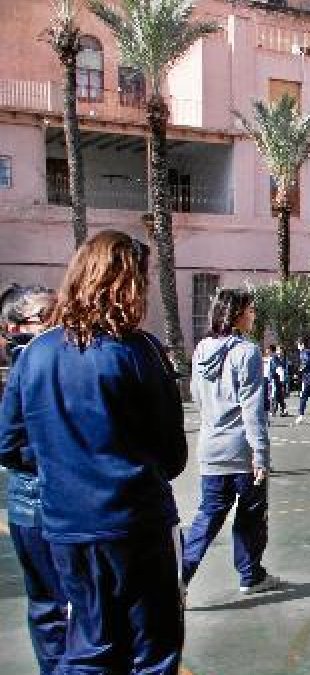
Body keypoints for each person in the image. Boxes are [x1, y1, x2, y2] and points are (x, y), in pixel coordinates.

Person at [0, 231, 188, 673]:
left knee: (90, 645)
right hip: (136, 523)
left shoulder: (37, 353)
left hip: (68, 527)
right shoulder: (139, 350)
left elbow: (9, 444)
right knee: (153, 649)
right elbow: (172, 453)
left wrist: (64, 467)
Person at [182, 288, 281, 596]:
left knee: (207, 516)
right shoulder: (247, 352)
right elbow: (252, 408)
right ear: (237, 315)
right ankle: (250, 575)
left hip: (210, 447)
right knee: (251, 515)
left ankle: (180, 575)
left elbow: (196, 395)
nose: (254, 315)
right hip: (242, 451)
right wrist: (261, 455)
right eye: (250, 310)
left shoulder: (201, 349)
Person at [0, 285, 66, 674]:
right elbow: (8, 444)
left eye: (60, 313)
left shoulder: (63, 356)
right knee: (49, 606)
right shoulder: (26, 363)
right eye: (45, 317)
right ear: (14, 327)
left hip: (63, 499)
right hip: (34, 501)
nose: (56, 323)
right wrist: (54, 457)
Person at [265, 344, 289, 417]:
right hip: (274, 379)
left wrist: (283, 380)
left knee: (275, 395)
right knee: (278, 395)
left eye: (267, 349)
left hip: (276, 379)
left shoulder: (275, 358)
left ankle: (275, 410)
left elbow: (280, 369)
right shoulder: (272, 358)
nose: (266, 351)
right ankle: (281, 410)